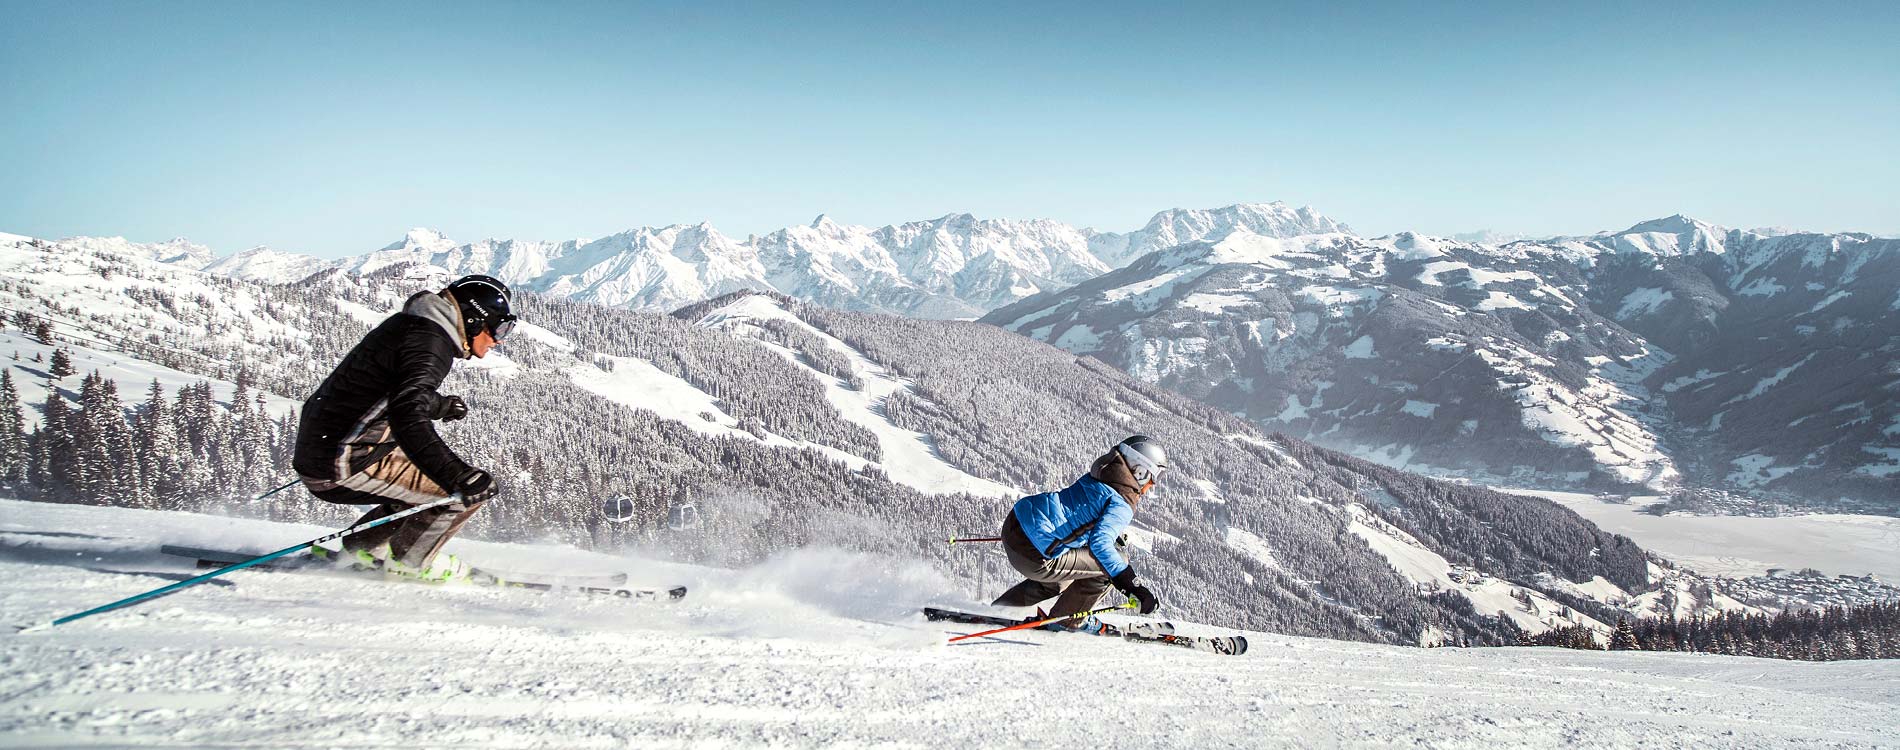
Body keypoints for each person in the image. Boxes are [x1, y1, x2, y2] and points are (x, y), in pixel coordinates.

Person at [291, 274, 515, 580]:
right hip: (344, 460)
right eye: (500, 326)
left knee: (422, 487)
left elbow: (387, 388)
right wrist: (457, 475)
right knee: (460, 493)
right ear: (475, 319)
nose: (499, 339)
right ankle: (410, 565)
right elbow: (406, 412)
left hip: (324, 450)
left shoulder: (413, 328)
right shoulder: (430, 343)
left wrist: (438, 405)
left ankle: (361, 548)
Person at [993, 435, 1167, 629]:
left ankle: (1000, 609)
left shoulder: (1101, 475)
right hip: (1033, 557)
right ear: (1140, 471)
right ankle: (1067, 621)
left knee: (1064, 575)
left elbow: (1079, 514)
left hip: (1015, 526)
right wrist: (1133, 586)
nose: (1151, 486)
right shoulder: (1122, 503)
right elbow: (1100, 544)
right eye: (1153, 477)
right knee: (1112, 564)